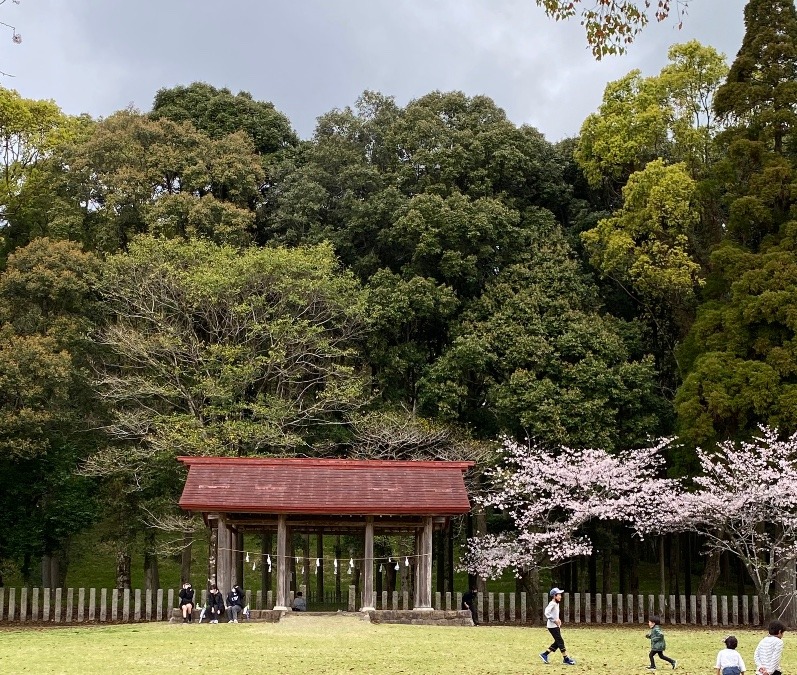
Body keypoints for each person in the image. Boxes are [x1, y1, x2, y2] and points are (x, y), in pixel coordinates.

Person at [540, 587, 576, 666]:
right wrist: (554, 620)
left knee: (557, 642)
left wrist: (558, 619)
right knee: (560, 642)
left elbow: (554, 613)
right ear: (554, 596)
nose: (560, 596)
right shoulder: (552, 603)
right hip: (552, 626)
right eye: (559, 595)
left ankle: (544, 654)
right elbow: (546, 612)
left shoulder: (556, 603)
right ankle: (566, 659)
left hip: (555, 626)